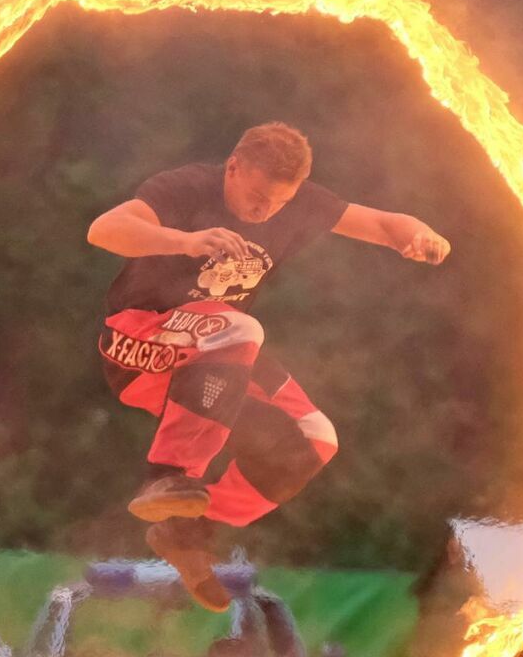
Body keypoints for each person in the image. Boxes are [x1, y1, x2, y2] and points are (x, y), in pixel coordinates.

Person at [88, 121, 450, 610]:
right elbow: (104, 229)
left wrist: (421, 235)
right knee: (243, 329)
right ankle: (168, 473)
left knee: (315, 438)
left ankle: (187, 531)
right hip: (137, 340)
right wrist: (184, 241)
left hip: (212, 358)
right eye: (256, 196)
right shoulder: (187, 186)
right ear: (233, 168)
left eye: (278, 203)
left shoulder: (301, 203)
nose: (264, 211)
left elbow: (385, 224)